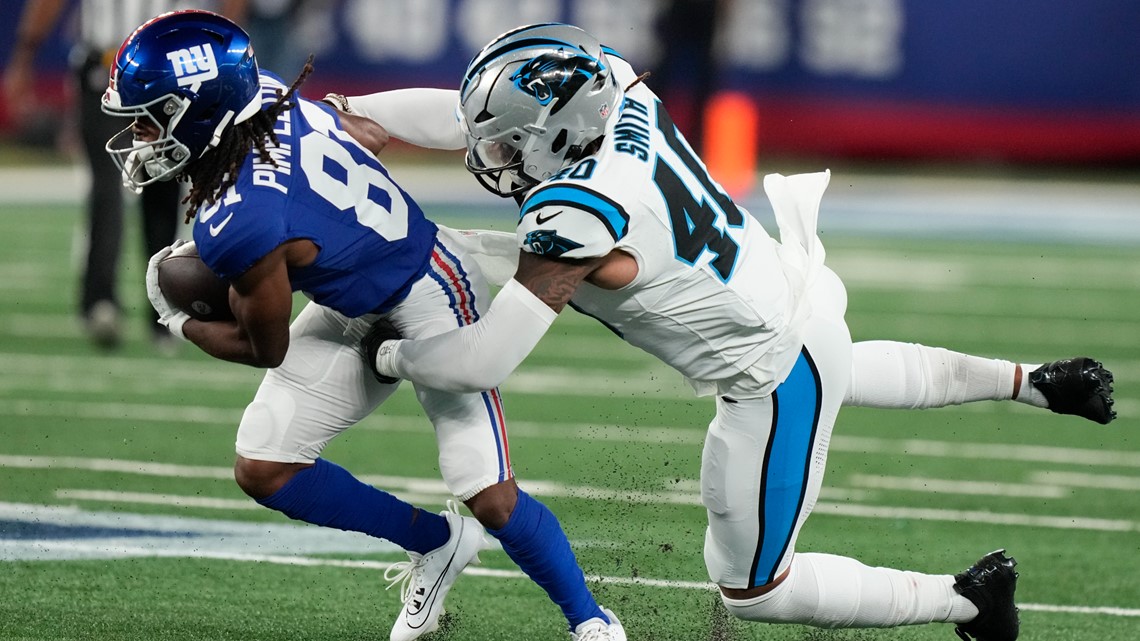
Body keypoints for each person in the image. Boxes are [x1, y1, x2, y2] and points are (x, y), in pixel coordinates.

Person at [338, 23, 1116, 641]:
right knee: (843, 360)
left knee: (752, 589)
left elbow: (486, 357)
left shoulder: (575, 212)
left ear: (558, 134)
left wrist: (395, 350)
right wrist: (355, 116)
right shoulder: (617, 90)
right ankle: (1035, 383)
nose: (492, 155)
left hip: (773, 374)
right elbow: (461, 115)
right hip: (792, 293)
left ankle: (967, 601)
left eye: (509, 145)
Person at [100, 12, 623, 641]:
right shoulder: (264, 96)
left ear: (199, 109)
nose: (140, 133)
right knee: (266, 465)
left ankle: (591, 623)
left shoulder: (236, 221)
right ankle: (439, 542)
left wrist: (177, 318)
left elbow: (265, 345)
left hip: (432, 288)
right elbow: (357, 145)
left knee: (488, 492)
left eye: (152, 115)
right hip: (353, 295)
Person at [3, 0, 248, 351]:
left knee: (164, 186)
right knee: (108, 184)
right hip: (107, 68)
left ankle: (162, 308)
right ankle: (102, 300)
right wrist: (26, 53)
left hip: (173, 74)